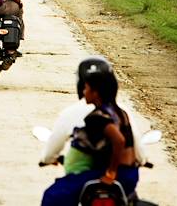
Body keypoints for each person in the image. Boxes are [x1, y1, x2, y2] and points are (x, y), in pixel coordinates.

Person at [41, 60, 139, 205]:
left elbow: (119, 140)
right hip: (131, 175)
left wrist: (111, 173)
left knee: (53, 195)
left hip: (117, 174)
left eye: (86, 88)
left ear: (96, 92)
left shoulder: (98, 116)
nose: (83, 92)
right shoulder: (119, 111)